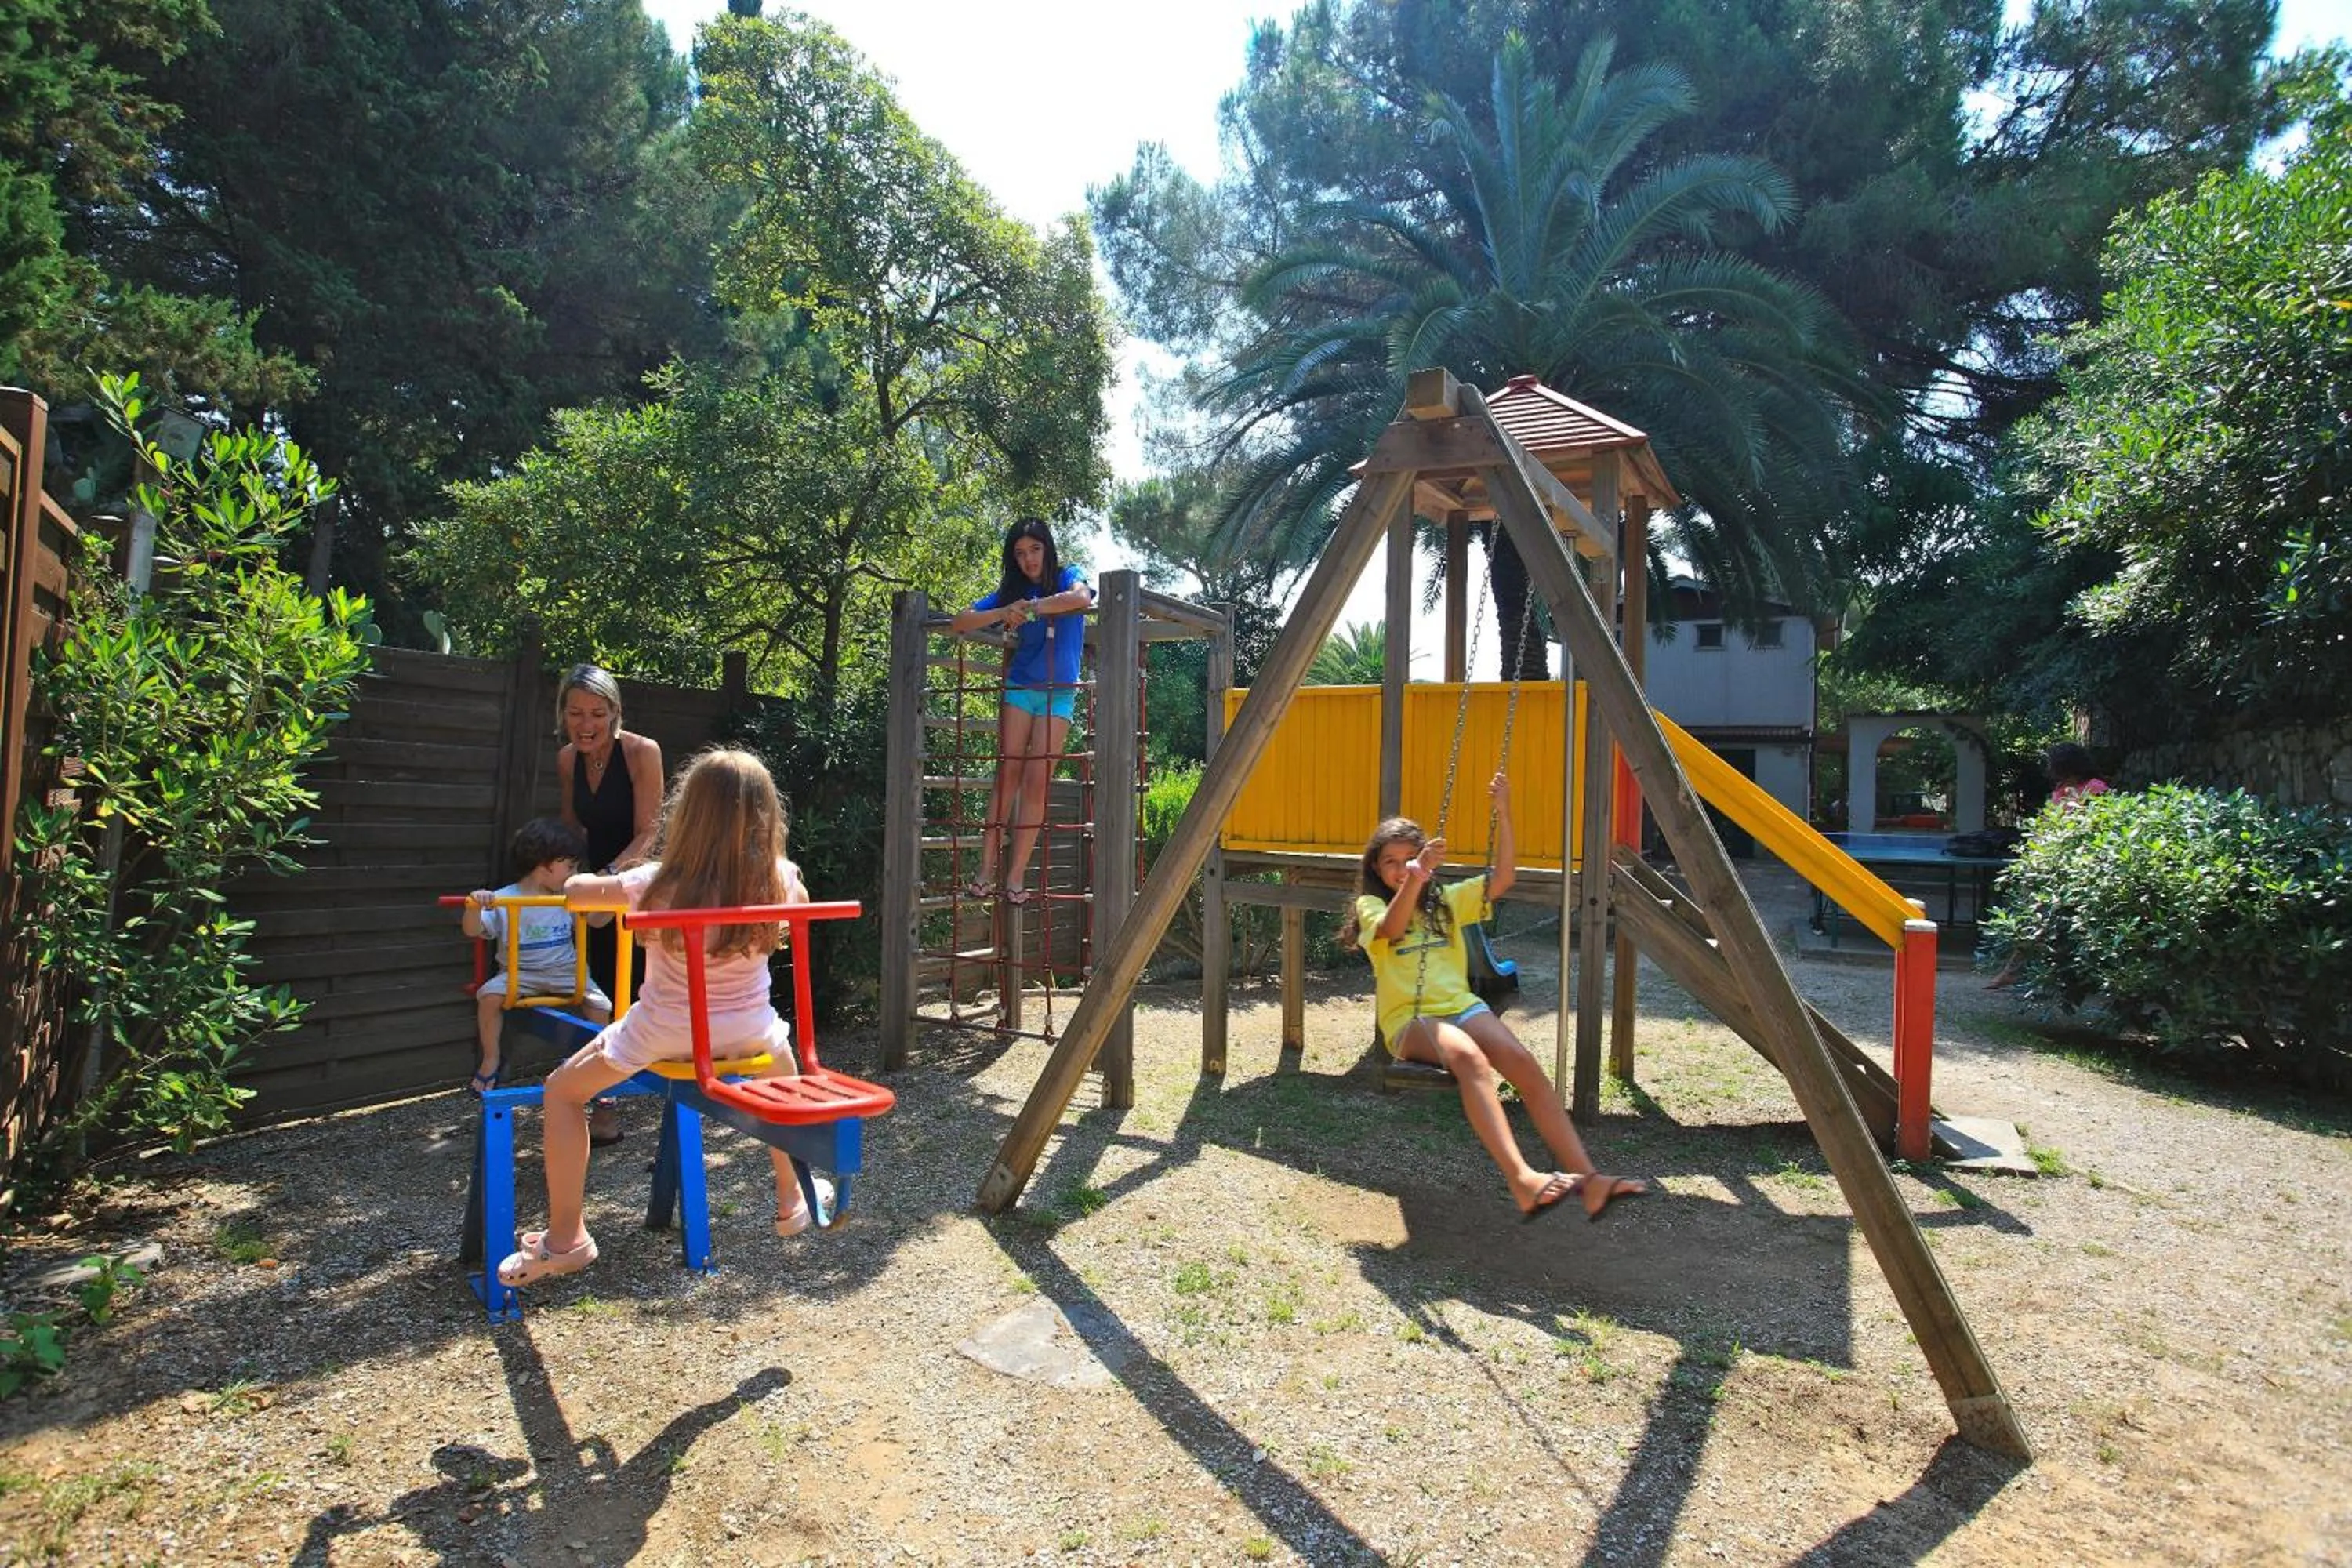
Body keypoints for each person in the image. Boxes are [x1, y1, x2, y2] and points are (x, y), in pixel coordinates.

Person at [496, 750, 830, 1288]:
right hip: (753, 1032)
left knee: (561, 1092)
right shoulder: (781, 878)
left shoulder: (654, 882)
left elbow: (578, 894)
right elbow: (801, 900)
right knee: (784, 1074)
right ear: (768, 818)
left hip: (666, 1034)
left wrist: (606, 875)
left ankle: (567, 1238)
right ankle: (791, 1197)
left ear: (686, 815)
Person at [1351, 772, 1646, 1221]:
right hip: (1410, 1020)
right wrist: (1420, 873)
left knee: (1522, 1063)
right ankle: (1522, 1178)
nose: (1401, 869)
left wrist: (1504, 814)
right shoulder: (1371, 907)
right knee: (1471, 1059)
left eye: (1409, 859)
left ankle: (1589, 1179)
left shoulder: (1447, 902)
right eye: (1391, 862)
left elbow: (1504, 878)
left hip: (1462, 1006)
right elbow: (1391, 930)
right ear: (1376, 868)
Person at [948, 518, 1095, 905]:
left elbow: (1082, 599)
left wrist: (1031, 609)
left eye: (1035, 549)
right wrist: (1004, 611)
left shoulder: (1068, 576)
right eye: (1020, 553)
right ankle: (984, 872)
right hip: (1020, 689)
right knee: (1007, 774)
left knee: (1036, 783)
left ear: (1047, 548)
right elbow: (960, 622)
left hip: (1059, 695)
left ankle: (1014, 878)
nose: (1028, 559)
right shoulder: (1012, 591)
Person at [554, 664, 662, 1145]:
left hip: (638, 883)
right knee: (595, 994)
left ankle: (617, 1103)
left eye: (597, 712)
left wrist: (608, 879)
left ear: (615, 712)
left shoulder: (641, 751)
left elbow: (652, 830)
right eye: (575, 712)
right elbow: (573, 829)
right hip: (591, 886)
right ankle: (596, 1096)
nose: (585, 723)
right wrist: (556, 877)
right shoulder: (566, 760)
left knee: (634, 992)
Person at [459, 818, 613, 1095]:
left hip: (567, 972)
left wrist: (613, 903)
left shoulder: (570, 897)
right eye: (570, 866)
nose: (575, 873)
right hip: (520, 974)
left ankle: (591, 1064)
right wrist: (474, 906)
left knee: (601, 1006)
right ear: (544, 865)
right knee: (488, 997)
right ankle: (490, 1058)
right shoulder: (503, 898)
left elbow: (597, 921)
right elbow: (473, 929)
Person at [1985, 742, 2110, 989]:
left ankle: (2024, 972)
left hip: (2076, 867)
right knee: (2031, 916)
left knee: (2045, 918)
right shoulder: (2061, 790)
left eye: (2053, 764)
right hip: (2046, 863)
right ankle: (2013, 970)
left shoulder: (2096, 790)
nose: (2049, 769)